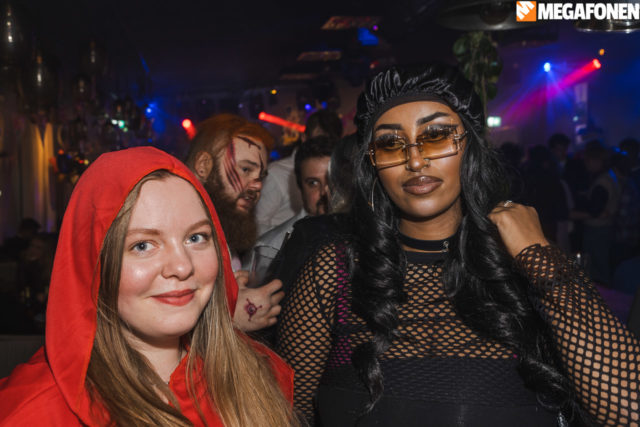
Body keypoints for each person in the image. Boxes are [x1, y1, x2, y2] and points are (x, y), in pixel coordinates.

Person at [276, 64, 640, 426]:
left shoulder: (523, 266)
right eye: (389, 143)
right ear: (374, 165)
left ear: (471, 147)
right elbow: (283, 415)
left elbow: (629, 410)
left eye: (436, 135)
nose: (414, 160)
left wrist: (536, 253)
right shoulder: (335, 271)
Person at [0, 147, 294, 426]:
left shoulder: (259, 375)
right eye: (142, 245)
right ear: (94, 263)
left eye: (196, 238)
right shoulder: (36, 414)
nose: (182, 266)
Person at [184, 114, 284, 331]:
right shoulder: (174, 228)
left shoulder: (219, 222)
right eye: (246, 169)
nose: (257, 186)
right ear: (203, 166)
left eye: (261, 176)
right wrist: (229, 317)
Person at [245, 135, 336, 266]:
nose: (324, 192)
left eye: (332, 180)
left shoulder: (362, 238)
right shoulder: (272, 248)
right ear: (300, 188)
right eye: (313, 183)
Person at [255, 109, 343, 235]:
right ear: (304, 138)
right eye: (312, 183)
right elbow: (257, 227)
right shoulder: (276, 173)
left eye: (329, 141)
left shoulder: (343, 173)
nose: (322, 146)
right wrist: (293, 235)